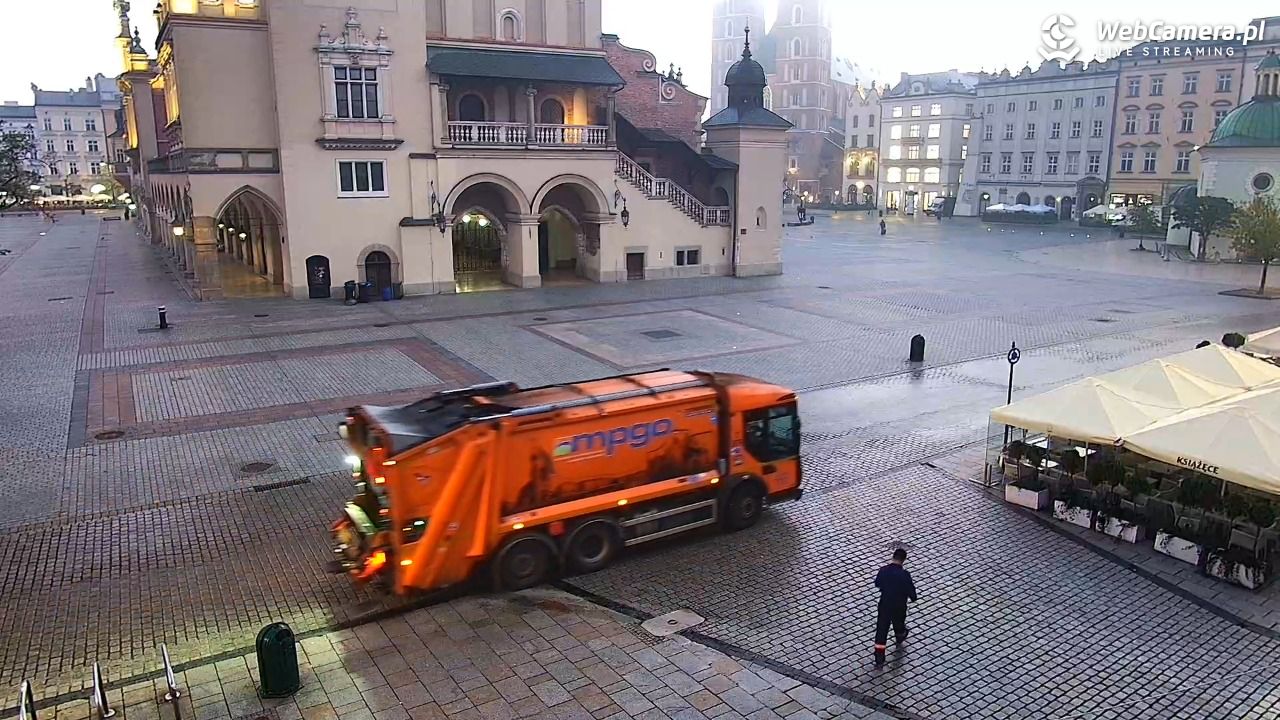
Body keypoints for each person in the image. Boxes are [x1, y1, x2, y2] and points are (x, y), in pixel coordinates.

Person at [873, 547, 916, 667]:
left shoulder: (883, 570)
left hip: (885, 604)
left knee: (882, 630)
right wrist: (913, 597)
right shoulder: (904, 575)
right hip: (899, 605)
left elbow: (877, 583)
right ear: (903, 560)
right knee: (899, 623)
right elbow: (911, 591)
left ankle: (879, 656)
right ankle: (900, 635)